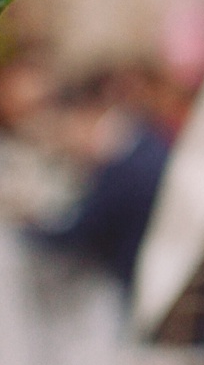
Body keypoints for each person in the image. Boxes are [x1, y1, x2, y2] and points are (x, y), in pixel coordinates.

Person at [27, 71, 171, 290]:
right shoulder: (146, 139)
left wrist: (26, 228)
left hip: (133, 282)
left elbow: (75, 238)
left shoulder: (122, 163)